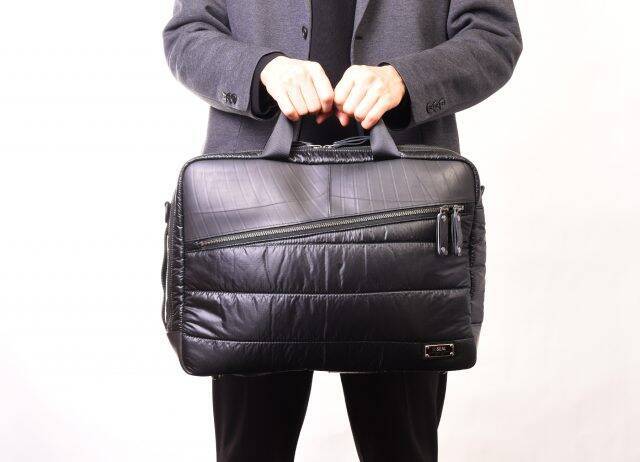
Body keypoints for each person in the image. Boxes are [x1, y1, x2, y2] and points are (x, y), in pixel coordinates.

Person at [163, 1, 521, 460]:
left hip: (403, 228)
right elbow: (188, 32)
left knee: (402, 451)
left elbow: (494, 34)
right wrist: (262, 71)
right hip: (253, 228)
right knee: (250, 450)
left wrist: (405, 80)